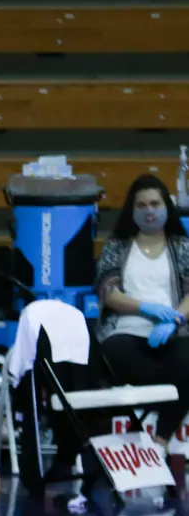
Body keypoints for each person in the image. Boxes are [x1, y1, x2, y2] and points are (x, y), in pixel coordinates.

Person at [97, 174, 189, 461]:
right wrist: (145, 308)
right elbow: (108, 292)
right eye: (142, 205)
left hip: (173, 332)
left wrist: (174, 319)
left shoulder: (183, 246)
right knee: (113, 354)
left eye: (155, 204)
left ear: (166, 207)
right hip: (126, 333)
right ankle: (175, 391)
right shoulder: (117, 246)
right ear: (132, 209)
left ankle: (160, 441)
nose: (149, 211)